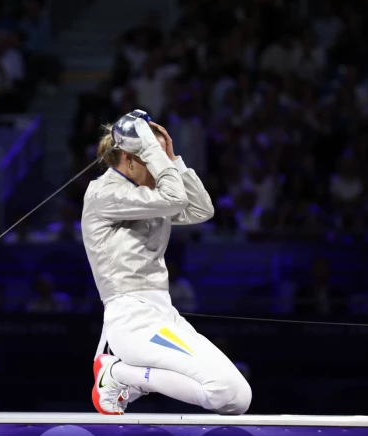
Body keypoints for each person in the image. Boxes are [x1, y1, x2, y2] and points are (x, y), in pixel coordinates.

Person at [81, 117, 251, 415]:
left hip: (164, 315)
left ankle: (127, 378)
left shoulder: (150, 198)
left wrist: (174, 159)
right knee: (222, 388)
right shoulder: (103, 193)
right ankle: (118, 374)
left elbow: (201, 209)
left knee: (236, 397)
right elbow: (175, 198)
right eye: (153, 157)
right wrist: (154, 151)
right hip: (132, 318)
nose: (162, 168)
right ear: (130, 158)